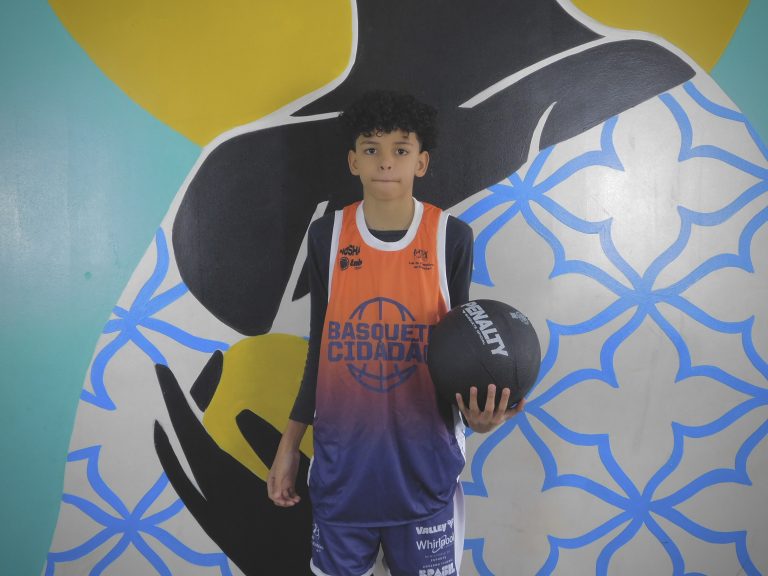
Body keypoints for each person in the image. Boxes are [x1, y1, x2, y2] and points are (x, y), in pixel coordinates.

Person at [267, 90, 525, 576]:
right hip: (343, 474)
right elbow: (320, 348)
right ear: (353, 160)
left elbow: (462, 351)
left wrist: (478, 418)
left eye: (400, 149)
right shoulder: (326, 236)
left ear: (421, 162)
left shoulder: (451, 237)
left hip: (424, 474)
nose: (385, 161)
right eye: (371, 149)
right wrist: (289, 445)